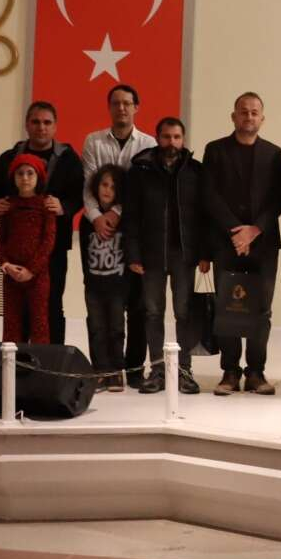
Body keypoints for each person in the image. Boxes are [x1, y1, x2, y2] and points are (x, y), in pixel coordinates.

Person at [202, 92, 281, 395]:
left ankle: (256, 372)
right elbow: (209, 195)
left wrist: (254, 230)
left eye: (254, 112)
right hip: (226, 242)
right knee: (228, 306)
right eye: (243, 111)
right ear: (233, 116)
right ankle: (230, 371)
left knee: (262, 310)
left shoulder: (274, 154)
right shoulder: (215, 150)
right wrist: (235, 231)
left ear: (262, 118)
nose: (249, 117)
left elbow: (278, 198)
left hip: (263, 244)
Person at [124, 117, 207, 395]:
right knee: (153, 313)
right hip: (150, 255)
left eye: (176, 137)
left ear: (183, 139)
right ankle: (158, 370)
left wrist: (204, 253)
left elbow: (204, 216)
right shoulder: (140, 171)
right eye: (166, 137)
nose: (171, 142)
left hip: (185, 254)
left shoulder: (195, 171)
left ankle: (184, 371)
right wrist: (133, 253)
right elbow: (131, 216)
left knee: (184, 313)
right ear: (157, 138)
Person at [81, 84, 156, 388]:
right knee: (98, 300)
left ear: (136, 107)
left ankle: (134, 368)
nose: (121, 108)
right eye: (116, 103)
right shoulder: (93, 141)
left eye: (127, 103)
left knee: (137, 304)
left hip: (135, 230)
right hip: (98, 228)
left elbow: (145, 190)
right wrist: (97, 217)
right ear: (109, 107)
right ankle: (104, 370)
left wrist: (117, 211)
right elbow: (89, 184)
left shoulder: (148, 143)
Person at [0, 101, 83, 345]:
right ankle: (19, 361)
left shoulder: (68, 159)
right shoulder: (9, 158)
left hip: (53, 247)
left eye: (47, 122)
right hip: (15, 250)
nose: (41, 127)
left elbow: (79, 194)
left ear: (55, 126)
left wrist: (64, 207)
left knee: (51, 305)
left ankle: (52, 361)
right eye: (35, 122)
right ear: (26, 125)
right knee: (16, 310)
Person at [0, 153, 57, 346]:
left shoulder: (45, 205)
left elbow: (48, 241)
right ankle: (11, 363)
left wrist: (31, 270)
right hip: (11, 275)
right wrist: (6, 265)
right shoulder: (8, 205)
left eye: (30, 173)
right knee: (11, 323)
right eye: (20, 173)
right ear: (13, 178)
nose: (25, 178)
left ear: (38, 177)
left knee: (39, 323)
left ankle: (40, 364)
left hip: (38, 276)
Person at [81, 164, 128, 392]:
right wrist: (87, 278)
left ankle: (116, 371)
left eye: (113, 187)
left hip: (117, 284)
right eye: (104, 185)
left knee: (116, 328)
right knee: (96, 327)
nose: (107, 190)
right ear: (96, 187)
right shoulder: (87, 220)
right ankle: (100, 370)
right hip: (93, 284)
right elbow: (84, 253)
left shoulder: (123, 219)